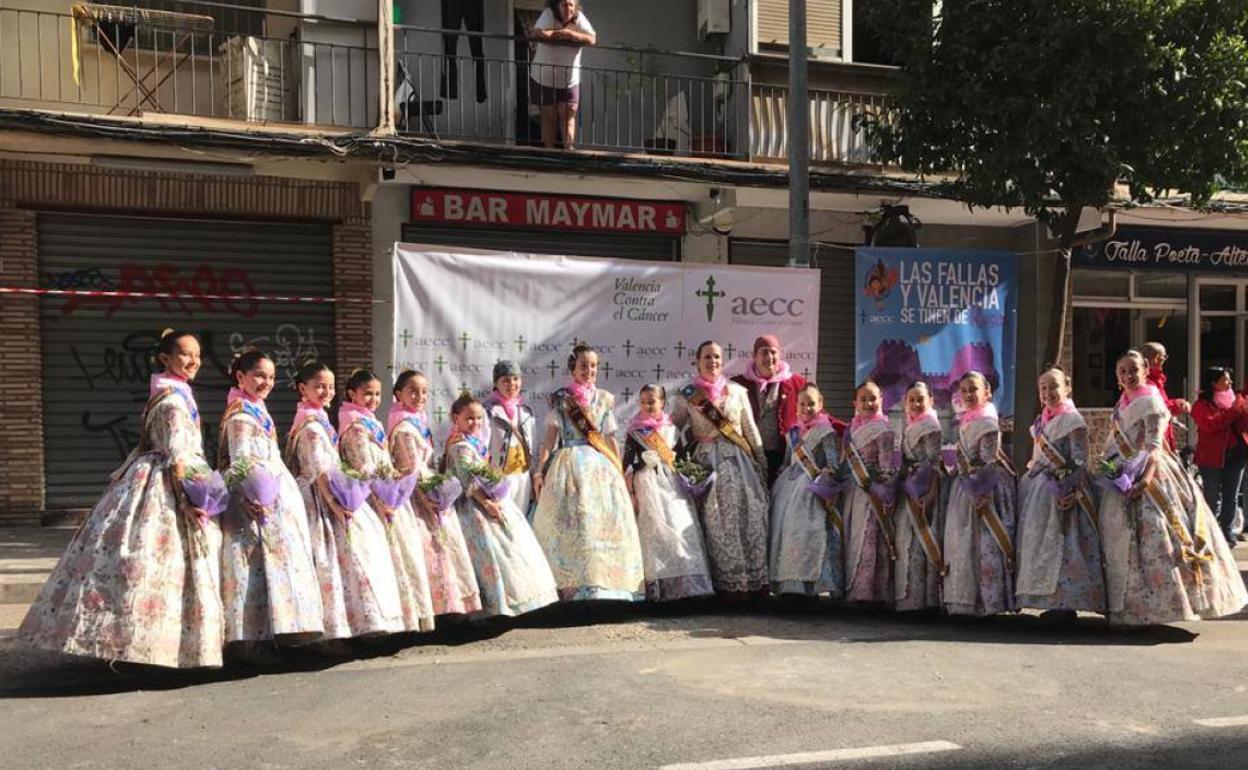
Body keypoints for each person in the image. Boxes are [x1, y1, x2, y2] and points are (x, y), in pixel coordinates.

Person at [21, 329, 224, 668]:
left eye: (198, 356)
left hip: (156, 476)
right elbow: (177, 456)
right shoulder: (173, 400)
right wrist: (189, 499)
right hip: (164, 485)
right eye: (186, 354)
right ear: (165, 359)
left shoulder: (172, 393)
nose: (194, 362)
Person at [1098, 350, 1247, 625]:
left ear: (1145, 370)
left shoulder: (1151, 400)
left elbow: (1154, 447)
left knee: (1157, 537)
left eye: (1133, 370)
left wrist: (1145, 479)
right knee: (1120, 539)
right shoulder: (1123, 401)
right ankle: (1123, 607)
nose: (1128, 376)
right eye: (1122, 371)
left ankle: (1158, 608)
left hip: (1154, 474)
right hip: (1122, 472)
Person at [286, 362, 403, 643]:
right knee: (328, 564)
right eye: (319, 386)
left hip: (335, 492)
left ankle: (363, 625)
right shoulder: (311, 425)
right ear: (303, 389)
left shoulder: (320, 418)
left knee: (353, 559)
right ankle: (331, 633)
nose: (326, 392)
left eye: (329, 387)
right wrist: (336, 505)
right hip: (320, 499)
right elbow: (320, 470)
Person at [218, 348, 323, 658]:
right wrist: (249, 496)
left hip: (274, 495)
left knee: (277, 565)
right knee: (253, 567)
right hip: (253, 500)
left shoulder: (256, 407)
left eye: (272, 377)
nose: (266, 382)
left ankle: (279, 631)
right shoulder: (239, 414)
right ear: (241, 377)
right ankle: (251, 640)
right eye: (259, 375)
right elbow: (240, 460)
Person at [532, 344, 645, 602]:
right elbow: (550, 440)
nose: (589, 370)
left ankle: (605, 585)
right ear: (573, 368)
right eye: (584, 365)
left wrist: (618, 467)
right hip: (568, 463)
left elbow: (610, 437)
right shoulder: (561, 399)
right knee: (575, 523)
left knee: (602, 523)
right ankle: (573, 587)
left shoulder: (604, 398)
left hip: (599, 466)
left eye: (593, 366)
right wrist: (540, 471)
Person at [443, 393, 559, 617]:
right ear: (455, 418)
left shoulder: (473, 441)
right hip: (472, 506)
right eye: (469, 418)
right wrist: (487, 504)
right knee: (485, 554)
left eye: (478, 418)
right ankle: (491, 606)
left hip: (487, 499)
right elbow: (468, 481)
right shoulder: (459, 447)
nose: (475, 423)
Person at [671, 340, 770, 600]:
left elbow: (750, 429)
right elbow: (672, 428)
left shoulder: (737, 392)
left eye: (716, 357)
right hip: (706, 463)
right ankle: (721, 586)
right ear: (697, 361)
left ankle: (750, 583)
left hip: (739, 462)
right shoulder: (687, 395)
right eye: (707, 357)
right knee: (714, 521)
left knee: (748, 517)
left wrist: (761, 463)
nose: (712, 361)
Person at [339, 369, 436, 633]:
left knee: (403, 558)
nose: (372, 399)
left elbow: (383, 463)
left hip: (388, 493)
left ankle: (407, 620)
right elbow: (365, 467)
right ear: (352, 394)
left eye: (376, 394)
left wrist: (395, 476)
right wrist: (384, 495)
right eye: (367, 394)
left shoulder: (372, 422)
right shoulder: (355, 426)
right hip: (372, 500)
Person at [389, 370, 482, 617]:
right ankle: (434, 610)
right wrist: (431, 495)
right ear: (399, 394)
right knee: (428, 550)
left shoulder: (417, 421)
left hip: (429, 488)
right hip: (416, 496)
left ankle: (451, 608)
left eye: (424, 392)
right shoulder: (404, 427)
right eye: (413, 391)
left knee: (444, 549)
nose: (420, 396)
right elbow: (412, 467)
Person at [1014, 368, 1105, 618]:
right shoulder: (1041, 420)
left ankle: (1065, 606)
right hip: (1039, 491)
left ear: (1067, 388)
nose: (1048, 392)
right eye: (1043, 388)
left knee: (1067, 545)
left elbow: (1079, 460)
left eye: (1053, 386)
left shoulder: (1073, 420)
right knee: (1040, 545)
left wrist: (1068, 489)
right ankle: (1046, 600)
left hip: (1067, 490)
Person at [623, 384, 715, 602]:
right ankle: (658, 589)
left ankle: (687, 587)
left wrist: (694, 476)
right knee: (654, 530)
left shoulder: (672, 429)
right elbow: (627, 461)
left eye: (652, 401)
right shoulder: (634, 431)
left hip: (673, 485)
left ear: (662, 402)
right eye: (643, 401)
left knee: (679, 524)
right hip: (647, 483)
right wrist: (638, 467)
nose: (647, 405)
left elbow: (681, 458)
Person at [943, 371, 1017, 617]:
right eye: (964, 391)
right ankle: (966, 600)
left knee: (985, 543)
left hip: (986, 486)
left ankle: (989, 602)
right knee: (964, 544)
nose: (968, 394)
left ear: (987, 392)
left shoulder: (987, 420)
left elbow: (988, 461)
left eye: (973, 389)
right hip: (967, 486)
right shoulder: (968, 418)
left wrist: (980, 491)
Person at [767, 383, 846, 599]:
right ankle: (787, 585)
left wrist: (826, 482)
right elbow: (786, 461)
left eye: (811, 403)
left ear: (820, 404)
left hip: (811, 489)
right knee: (784, 534)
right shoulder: (792, 432)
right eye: (802, 404)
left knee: (807, 535)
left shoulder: (826, 432)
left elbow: (832, 463)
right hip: (788, 489)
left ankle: (808, 587)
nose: (806, 408)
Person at [732, 334, 827, 484]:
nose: (769, 357)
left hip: (784, 455)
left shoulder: (796, 382)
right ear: (754, 356)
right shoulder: (737, 384)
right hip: (748, 455)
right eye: (764, 352)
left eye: (773, 352)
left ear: (780, 355)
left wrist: (844, 429)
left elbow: (819, 414)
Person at [842, 380, 897, 605]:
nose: (868, 403)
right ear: (855, 402)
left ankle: (869, 593)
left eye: (873, 398)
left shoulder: (884, 430)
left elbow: (885, 467)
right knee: (852, 538)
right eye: (863, 399)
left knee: (869, 540)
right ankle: (853, 588)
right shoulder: (851, 428)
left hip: (871, 493)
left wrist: (882, 490)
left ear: (881, 401)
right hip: (853, 491)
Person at [894, 381, 946, 612]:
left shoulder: (931, 426)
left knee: (924, 542)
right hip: (911, 486)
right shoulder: (910, 425)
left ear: (931, 401)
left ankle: (927, 601)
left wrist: (931, 492)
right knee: (908, 542)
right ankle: (910, 600)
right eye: (911, 399)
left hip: (926, 487)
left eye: (920, 399)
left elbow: (933, 463)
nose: (915, 404)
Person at [1191, 366, 1248, 544]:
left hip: (1237, 454)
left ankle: (1227, 532)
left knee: (1231, 495)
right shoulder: (1201, 405)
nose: (1230, 383)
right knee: (1212, 495)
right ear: (1213, 384)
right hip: (1211, 457)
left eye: (1230, 379)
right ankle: (1209, 532)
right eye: (1225, 380)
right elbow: (1211, 425)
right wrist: (1233, 412)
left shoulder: (1237, 400)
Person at [529, 0, 596, 149]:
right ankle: (549, 152)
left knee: (568, 116)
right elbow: (537, 32)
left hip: (569, 79)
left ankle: (569, 151)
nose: (568, 8)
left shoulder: (579, 18)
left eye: (571, 4)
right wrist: (557, 35)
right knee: (548, 117)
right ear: (557, 6)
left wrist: (571, 34)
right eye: (564, 4)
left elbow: (592, 38)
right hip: (544, 77)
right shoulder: (549, 14)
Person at [483, 360, 539, 519]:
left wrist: (535, 474)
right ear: (496, 384)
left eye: (515, 379)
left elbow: (533, 447)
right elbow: (482, 448)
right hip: (500, 478)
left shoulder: (526, 412)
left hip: (523, 476)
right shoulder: (489, 411)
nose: (511, 384)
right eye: (505, 380)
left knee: (521, 520)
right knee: (502, 521)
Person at [1141, 341, 1191, 451]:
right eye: (1163, 357)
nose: (1163, 361)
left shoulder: (1156, 380)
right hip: (1153, 439)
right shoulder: (1145, 382)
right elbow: (1158, 408)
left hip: (1161, 434)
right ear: (1156, 358)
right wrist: (1178, 404)